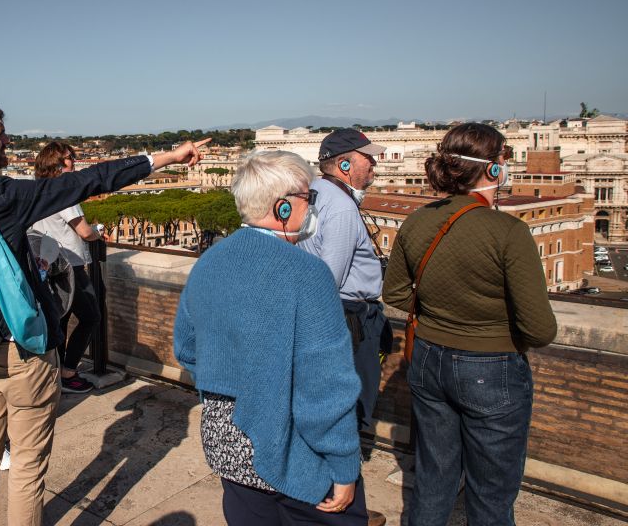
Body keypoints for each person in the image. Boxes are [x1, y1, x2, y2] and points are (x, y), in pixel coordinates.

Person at [0, 100, 207, 526]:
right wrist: (165, 156)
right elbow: (88, 180)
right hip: (19, 350)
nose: (7, 142)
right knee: (26, 465)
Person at [174, 150, 367, 526]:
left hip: (225, 441)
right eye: (308, 198)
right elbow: (326, 383)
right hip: (289, 447)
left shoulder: (208, 262)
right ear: (282, 208)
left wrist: (233, 387)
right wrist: (344, 465)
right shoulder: (307, 274)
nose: (313, 206)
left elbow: (186, 349)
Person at [383, 123, 558, 526]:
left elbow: (393, 295)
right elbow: (540, 329)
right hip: (490, 365)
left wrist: (437, 314)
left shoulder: (416, 221)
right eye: (503, 160)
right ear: (493, 169)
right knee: (491, 494)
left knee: (433, 477)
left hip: (427, 359)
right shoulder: (509, 232)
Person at [299, 128, 389, 525]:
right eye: (369, 158)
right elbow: (329, 278)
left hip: (339, 314)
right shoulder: (341, 207)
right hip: (349, 317)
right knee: (350, 414)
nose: (375, 164)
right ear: (347, 163)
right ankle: (348, 509)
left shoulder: (313, 193)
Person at [30, 141, 104, 394]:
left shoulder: (36, 189)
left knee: (59, 321)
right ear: (57, 164)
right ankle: (69, 372)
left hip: (46, 266)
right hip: (70, 265)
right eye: (69, 157)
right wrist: (99, 233)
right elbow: (84, 231)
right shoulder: (65, 193)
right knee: (91, 317)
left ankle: (54, 374)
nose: (74, 161)